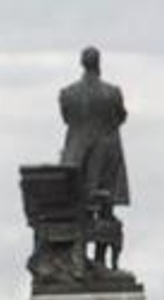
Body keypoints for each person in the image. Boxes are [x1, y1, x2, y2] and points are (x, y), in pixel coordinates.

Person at [58, 46, 129, 208]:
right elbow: (121, 117)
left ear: (81, 64)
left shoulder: (68, 93)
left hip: (76, 157)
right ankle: (106, 208)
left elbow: (66, 119)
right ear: (98, 63)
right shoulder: (112, 93)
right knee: (110, 143)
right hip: (105, 163)